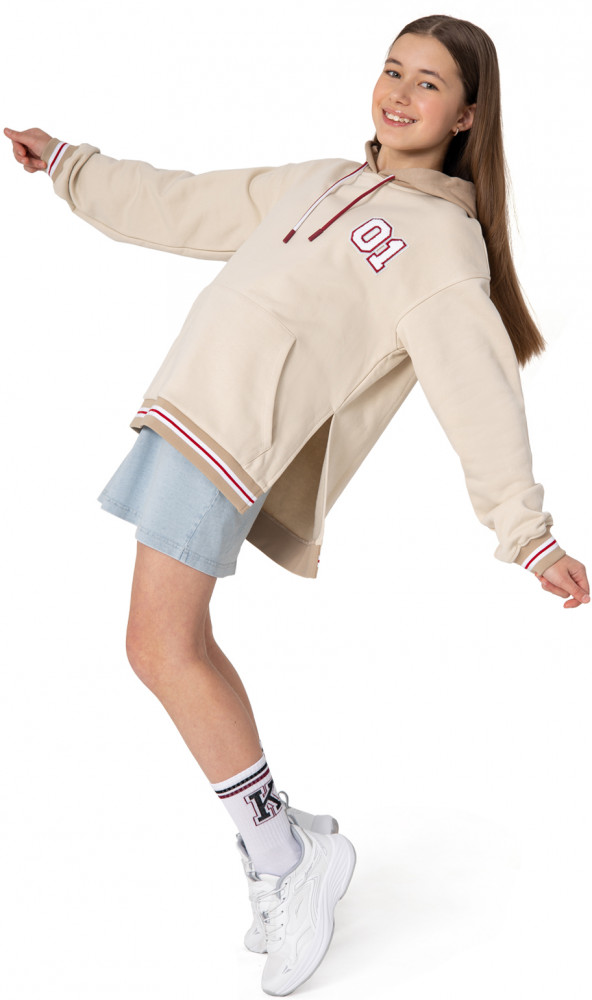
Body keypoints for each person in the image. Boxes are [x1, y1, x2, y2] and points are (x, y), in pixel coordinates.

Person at [5, 12, 589, 997]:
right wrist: (68, 163)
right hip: (179, 415)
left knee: (160, 648)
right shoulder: (319, 179)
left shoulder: (440, 244)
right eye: (393, 70)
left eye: (430, 83)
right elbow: (180, 202)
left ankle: (284, 857)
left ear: (467, 116)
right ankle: (289, 836)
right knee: (172, 645)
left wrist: (526, 535)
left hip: (229, 444)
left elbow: (477, 388)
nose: (400, 93)